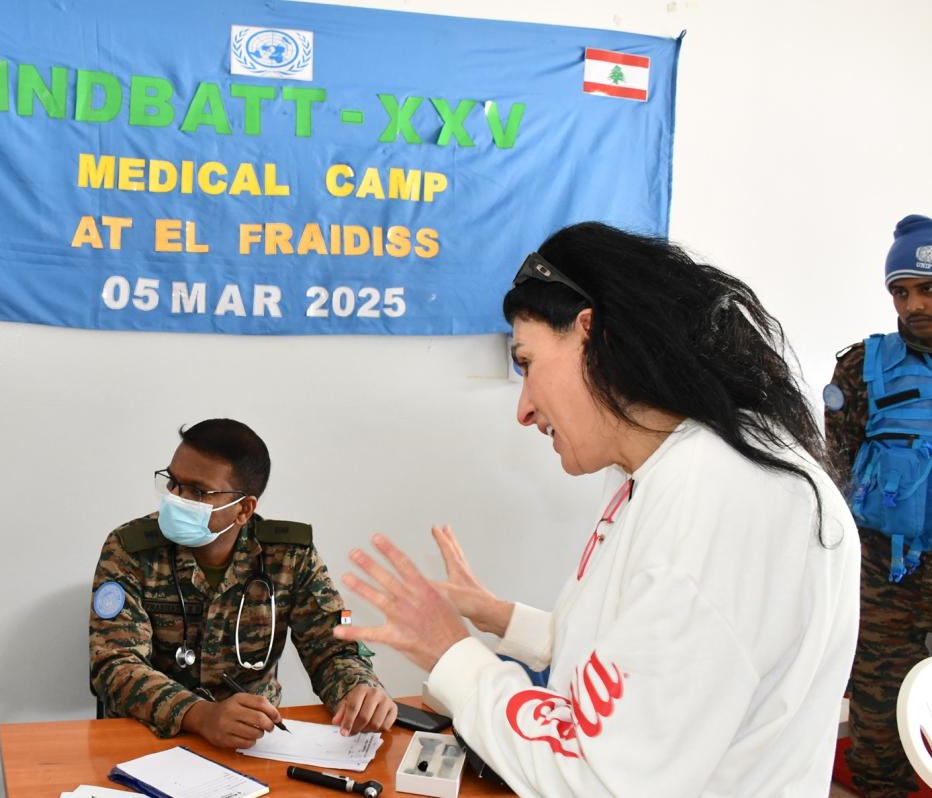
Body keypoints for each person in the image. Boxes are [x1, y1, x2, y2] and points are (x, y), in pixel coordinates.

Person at [333, 223, 860, 795]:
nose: (525, 409)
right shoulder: (685, 469)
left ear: (591, 337)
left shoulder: (718, 500)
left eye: (527, 362)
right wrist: (499, 617)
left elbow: (602, 778)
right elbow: (638, 658)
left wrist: (449, 652)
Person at [89, 418, 396, 749]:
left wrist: (359, 690)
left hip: (254, 742)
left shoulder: (289, 557)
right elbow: (114, 664)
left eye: (197, 491)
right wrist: (200, 714)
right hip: (150, 738)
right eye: (173, 482)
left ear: (244, 509)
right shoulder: (130, 549)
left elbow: (334, 647)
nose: (176, 497)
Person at [824, 214, 932, 797]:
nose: (913, 304)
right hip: (884, 580)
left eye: (927, 288)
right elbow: (832, 479)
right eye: (901, 291)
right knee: (879, 731)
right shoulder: (861, 369)